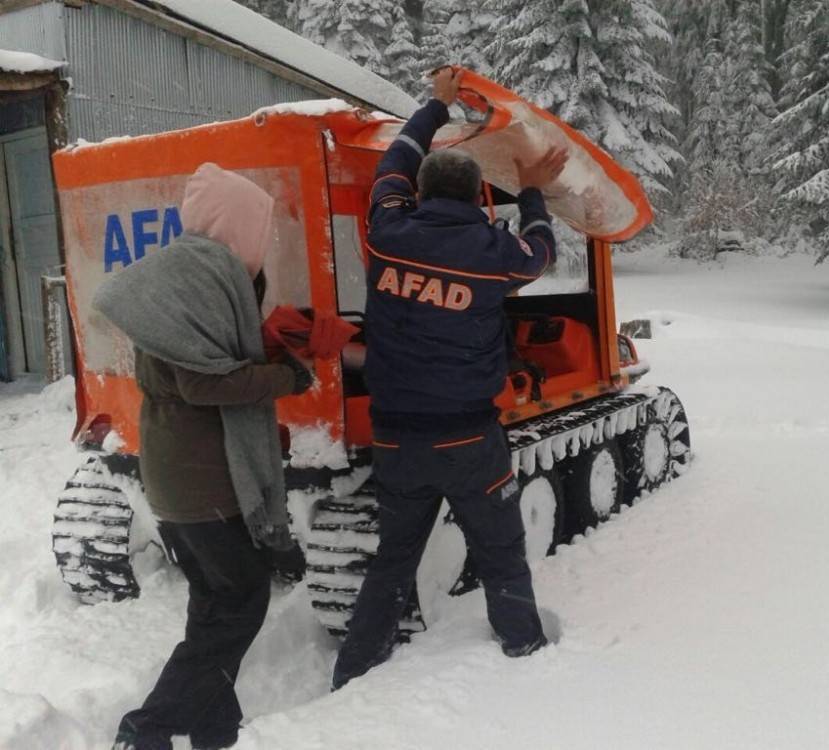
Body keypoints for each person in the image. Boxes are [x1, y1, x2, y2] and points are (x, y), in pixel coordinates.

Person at [331, 67, 569, 690]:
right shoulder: (495, 256)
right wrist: (533, 190)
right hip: (469, 442)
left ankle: (354, 670)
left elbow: (395, 164)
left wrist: (433, 109)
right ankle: (523, 647)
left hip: (395, 441)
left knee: (394, 557)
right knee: (499, 550)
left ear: (419, 194)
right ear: (474, 201)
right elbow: (541, 251)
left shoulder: (386, 233)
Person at [94, 163, 313, 750]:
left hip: (181, 477)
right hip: (203, 483)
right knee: (243, 600)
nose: (260, 244)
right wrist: (284, 377)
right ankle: (149, 727)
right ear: (233, 225)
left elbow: (199, 364)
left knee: (217, 604)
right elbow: (205, 384)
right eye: (256, 230)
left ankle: (213, 728)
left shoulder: (190, 278)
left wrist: (273, 343)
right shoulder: (198, 278)